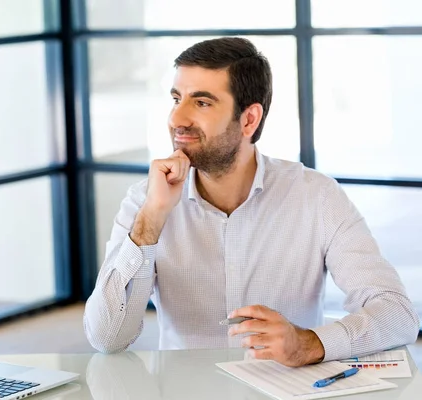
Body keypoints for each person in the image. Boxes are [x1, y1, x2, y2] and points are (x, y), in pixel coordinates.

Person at [83, 37, 420, 367]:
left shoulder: (316, 197)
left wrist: (310, 343)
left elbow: (397, 314)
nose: (177, 119)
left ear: (249, 119)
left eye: (201, 103)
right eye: (176, 99)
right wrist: (152, 219)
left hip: (287, 392)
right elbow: (107, 338)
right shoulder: (146, 200)